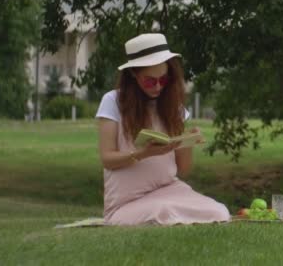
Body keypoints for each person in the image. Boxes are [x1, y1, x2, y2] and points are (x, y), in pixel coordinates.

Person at [95, 33, 230, 225]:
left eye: (163, 80)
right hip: (126, 203)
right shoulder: (113, 101)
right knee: (164, 211)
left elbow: (183, 170)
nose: (158, 86)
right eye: (150, 81)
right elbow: (107, 159)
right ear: (133, 74)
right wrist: (142, 153)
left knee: (219, 212)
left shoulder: (173, 107)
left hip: (170, 191)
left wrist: (187, 142)